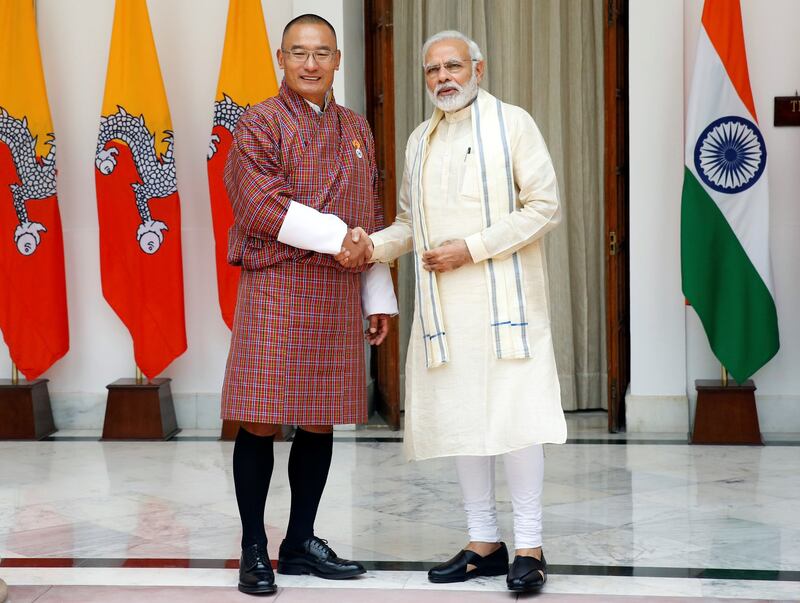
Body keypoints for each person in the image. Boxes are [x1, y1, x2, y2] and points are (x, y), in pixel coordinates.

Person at [347, 30, 567, 593]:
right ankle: (484, 543)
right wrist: (372, 246)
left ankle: (530, 547)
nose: (443, 78)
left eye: (453, 66)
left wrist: (471, 248)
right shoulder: (420, 140)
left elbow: (545, 207)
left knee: (517, 420)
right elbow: (410, 224)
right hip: (446, 310)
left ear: (478, 69)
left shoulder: (513, 123)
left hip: (508, 303)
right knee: (465, 419)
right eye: (432, 70)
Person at [221, 13, 396, 596]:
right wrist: (343, 240)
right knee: (261, 416)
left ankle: (299, 541)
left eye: (322, 53)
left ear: (337, 60)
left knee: (320, 417)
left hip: (338, 288)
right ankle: (254, 546)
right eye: (299, 52)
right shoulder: (258, 123)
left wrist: (377, 292)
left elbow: (369, 212)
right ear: (281, 58)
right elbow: (260, 207)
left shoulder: (356, 127)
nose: (311, 63)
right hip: (277, 289)